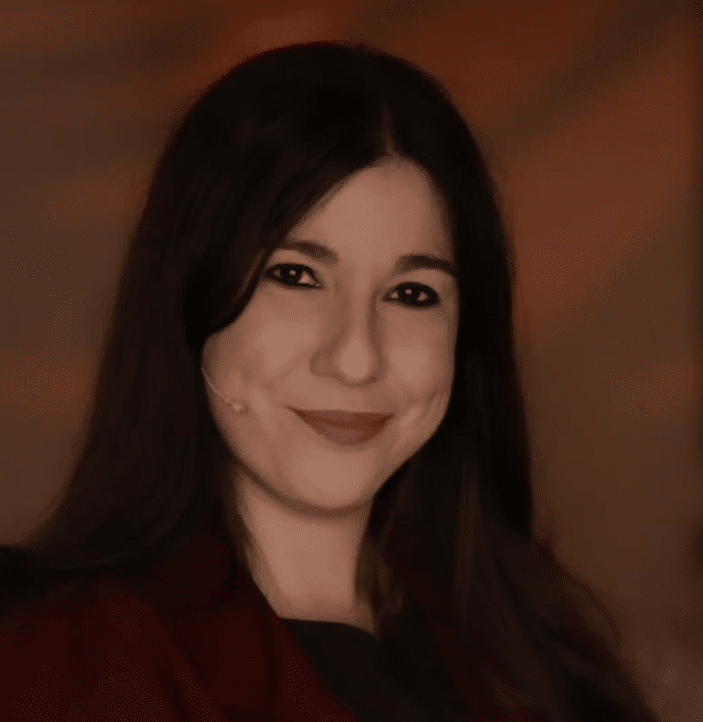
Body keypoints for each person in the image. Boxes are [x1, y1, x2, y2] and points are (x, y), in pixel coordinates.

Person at [0, 41, 659, 722]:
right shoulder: (71, 664)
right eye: (296, 276)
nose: (356, 358)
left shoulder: (549, 663)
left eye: (411, 293)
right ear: (191, 303)